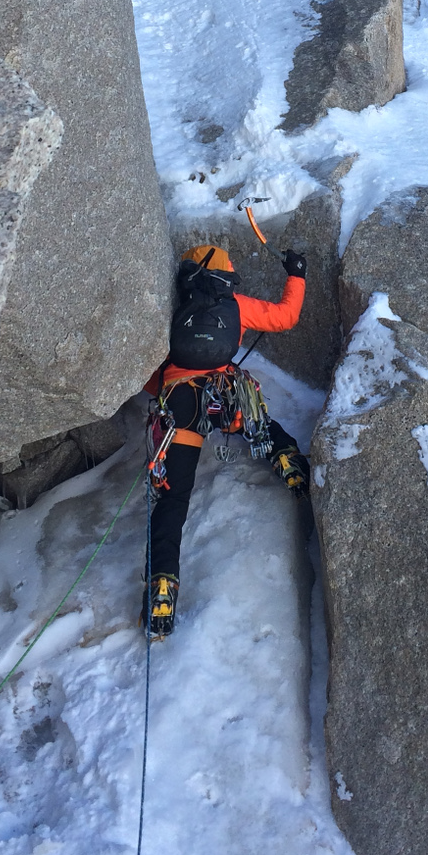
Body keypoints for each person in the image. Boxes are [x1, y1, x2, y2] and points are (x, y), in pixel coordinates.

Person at [141, 243, 311, 639]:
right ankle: (286, 460)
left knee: (173, 499)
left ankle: (162, 587)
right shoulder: (232, 303)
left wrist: (163, 389)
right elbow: (286, 318)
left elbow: (148, 367)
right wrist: (297, 274)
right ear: (224, 270)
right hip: (225, 394)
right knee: (259, 421)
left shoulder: (172, 306)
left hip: (179, 401)